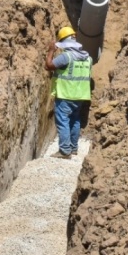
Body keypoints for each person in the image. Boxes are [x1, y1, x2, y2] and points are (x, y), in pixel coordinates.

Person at [45, 26, 92, 159]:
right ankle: (73, 148)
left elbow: (48, 66)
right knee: (75, 120)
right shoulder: (88, 58)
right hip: (80, 95)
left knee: (63, 121)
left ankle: (65, 151)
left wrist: (50, 51)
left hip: (66, 94)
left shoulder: (66, 57)